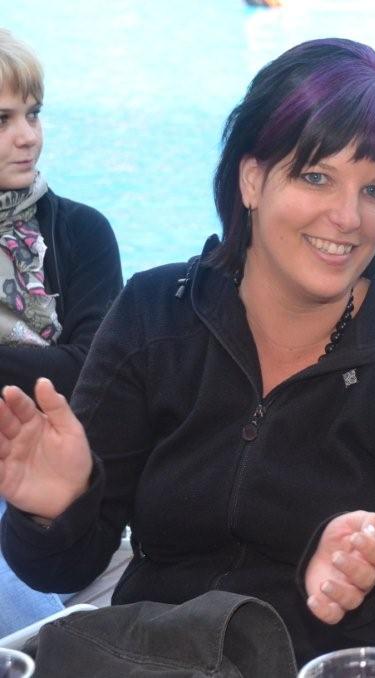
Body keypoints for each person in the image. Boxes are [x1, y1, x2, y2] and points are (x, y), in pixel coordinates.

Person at [0, 38, 375, 675]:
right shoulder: (156, 315)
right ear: (252, 178)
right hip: (156, 656)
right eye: (317, 177)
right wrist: (55, 509)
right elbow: (66, 567)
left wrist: (372, 581)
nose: (348, 217)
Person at [0, 29, 122, 637]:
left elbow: (89, 374)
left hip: (68, 483)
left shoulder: (83, 232)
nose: (28, 136)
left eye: (33, 113)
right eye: (2, 120)